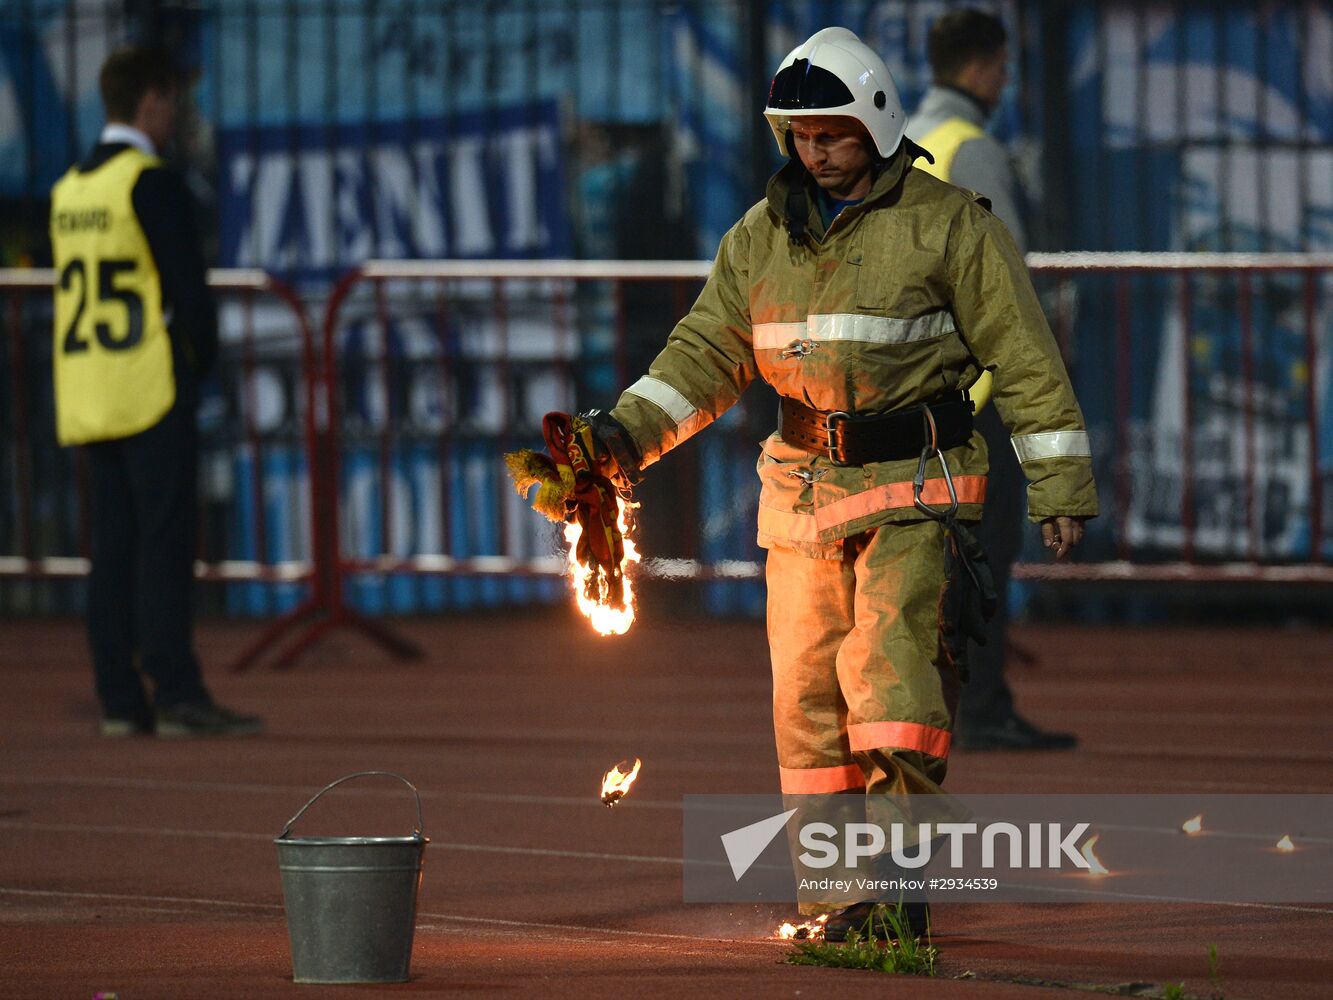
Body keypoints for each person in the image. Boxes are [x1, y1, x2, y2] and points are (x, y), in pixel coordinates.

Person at [573, 27, 1096, 938]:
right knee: (808, 719)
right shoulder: (757, 238)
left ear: (877, 125)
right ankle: (833, 906)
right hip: (800, 503)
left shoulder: (948, 223)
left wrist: (1057, 487)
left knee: (892, 699)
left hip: (914, 495)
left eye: (833, 133)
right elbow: (702, 358)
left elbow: (1024, 356)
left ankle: (895, 903)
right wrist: (622, 437)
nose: (815, 151)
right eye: (801, 135)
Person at [50, 46, 263, 738]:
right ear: (150, 101)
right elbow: (189, 298)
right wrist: (195, 366)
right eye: (173, 100)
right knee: (165, 545)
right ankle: (176, 692)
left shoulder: (71, 190)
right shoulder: (151, 182)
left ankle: (119, 697)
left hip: (88, 391)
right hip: (147, 386)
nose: (177, 114)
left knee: (110, 548)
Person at [908, 8, 1077, 751]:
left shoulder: (907, 144)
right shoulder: (970, 150)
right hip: (978, 394)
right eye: (1004, 70)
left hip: (922, 389)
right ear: (981, 68)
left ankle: (939, 706)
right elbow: (1003, 282)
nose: (1005, 82)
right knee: (983, 554)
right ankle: (979, 710)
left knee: (938, 559)